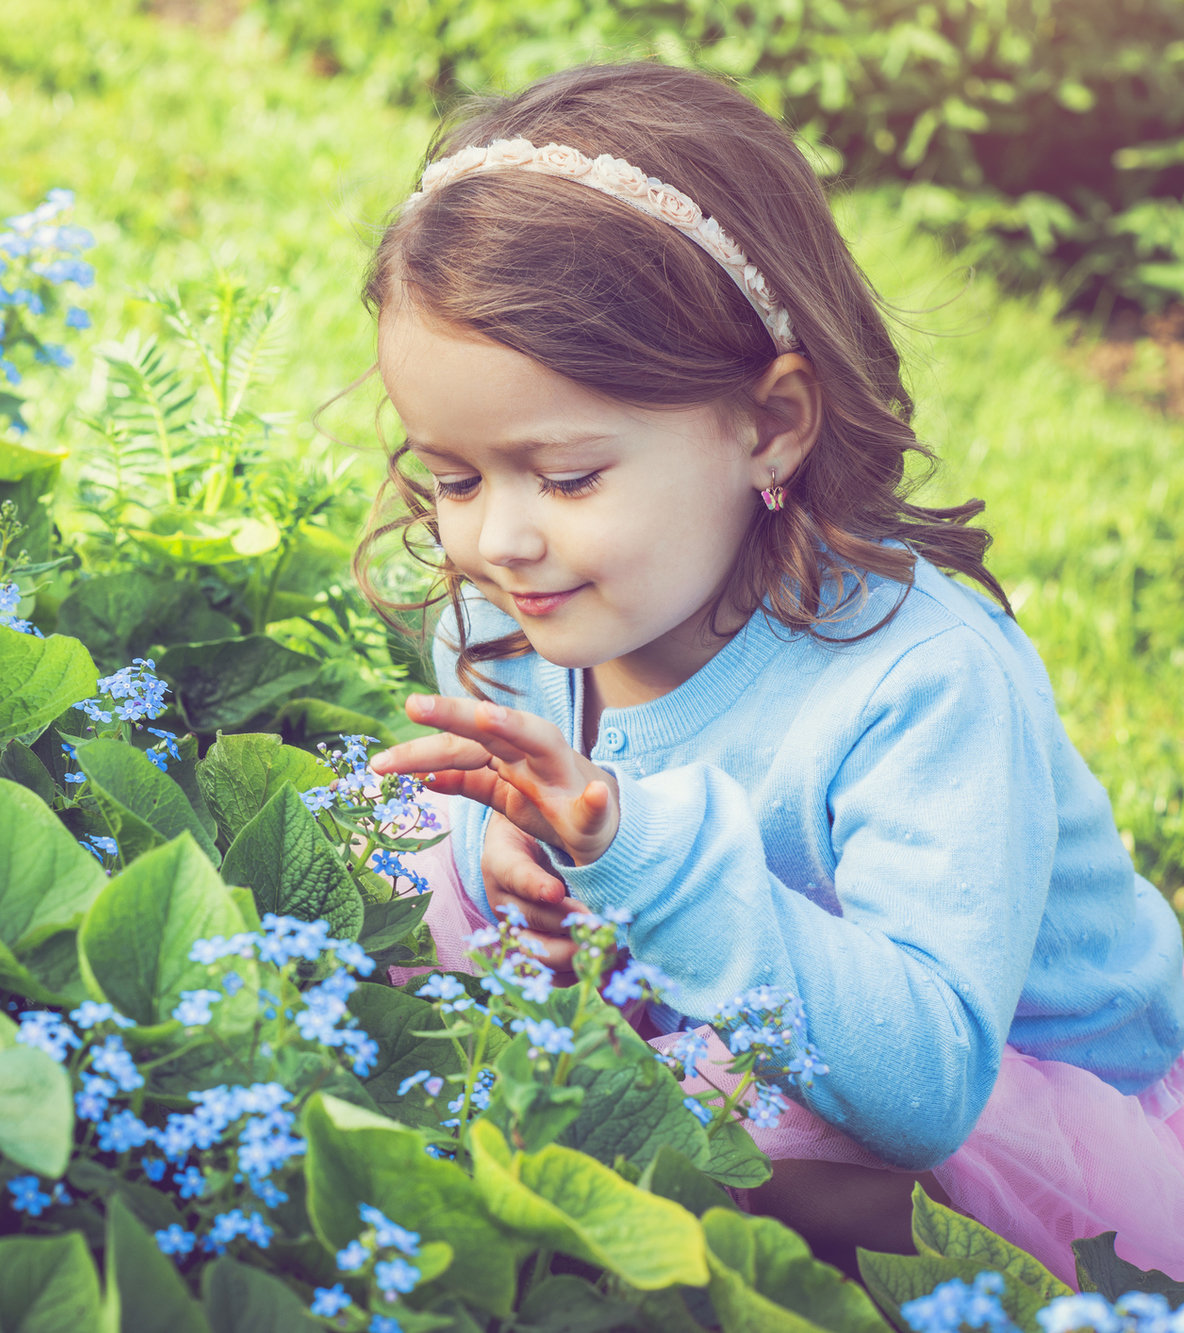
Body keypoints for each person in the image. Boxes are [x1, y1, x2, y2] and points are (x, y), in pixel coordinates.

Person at [350, 61, 1184, 1280]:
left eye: (568, 477)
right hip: (722, 1021)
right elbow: (549, 856)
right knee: (389, 871)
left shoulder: (921, 681)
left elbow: (923, 1086)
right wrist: (517, 857)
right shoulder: (509, 618)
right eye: (458, 477)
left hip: (1016, 1114)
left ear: (770, 425)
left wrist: (634, 844)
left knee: (750, 1123)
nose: (497, 539)